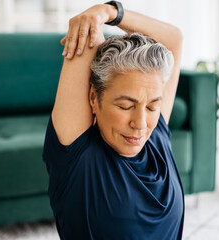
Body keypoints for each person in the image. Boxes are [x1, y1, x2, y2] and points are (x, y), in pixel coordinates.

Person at [42, 1, 184, 239]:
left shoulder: (156, 132)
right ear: (93, 99)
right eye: (125, 106)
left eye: (152, 106)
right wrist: (93, 17)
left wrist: (110, 11)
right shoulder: (78, 157)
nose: (140, 123)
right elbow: (87, 37)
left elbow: (174, 40)